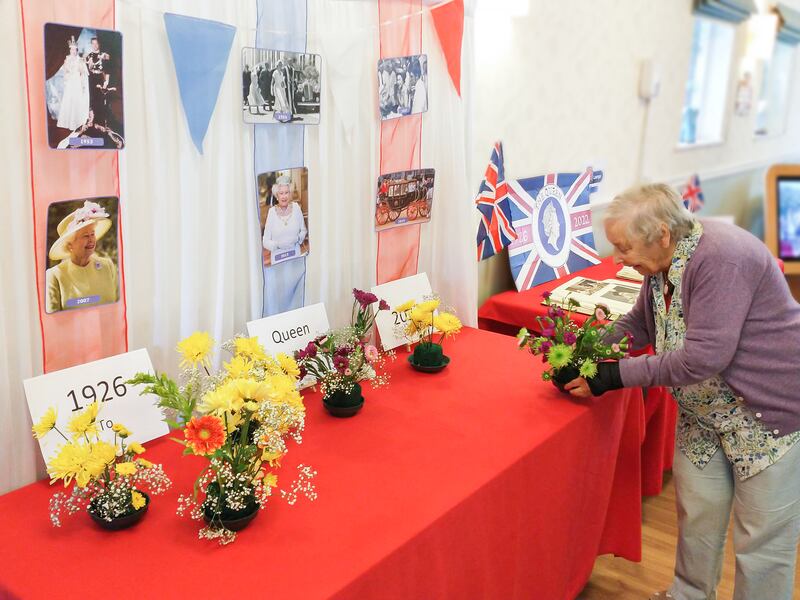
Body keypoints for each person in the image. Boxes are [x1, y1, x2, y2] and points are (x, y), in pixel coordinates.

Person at [565, 184, 800, 600]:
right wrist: (588, 351)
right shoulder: (662, 261)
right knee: (697, 519)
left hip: (766, 416)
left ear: (662, 233)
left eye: (623, 247)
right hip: (703, 414)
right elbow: (640, 322)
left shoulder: (722, 259)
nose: (617, 258)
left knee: (760, 545)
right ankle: (688, 594)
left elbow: (702, 359)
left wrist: (611, 376)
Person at [46, 200, 119, 313]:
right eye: (85, 236)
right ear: (70, 245)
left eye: (92, 234)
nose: (91, 240)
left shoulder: (107, 265)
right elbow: (52, 320)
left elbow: (118, 306)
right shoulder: (55, 275)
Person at [262, 176, 307, 263]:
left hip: (295, 255)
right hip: (278, 258)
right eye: (281, 193)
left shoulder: (296, 208)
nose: (284, 196)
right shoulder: (271, 212)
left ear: (290, 194)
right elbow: (265, 241)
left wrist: (297, 239)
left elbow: (303, 231)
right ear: (277, 196)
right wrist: (278, 245)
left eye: (286, 192)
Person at [56, 37, 90, 131]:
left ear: (77, 50)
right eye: (72, 49)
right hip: (70, 82)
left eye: (75, 49)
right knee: (69, 99)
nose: (73, 51)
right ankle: (68, 122)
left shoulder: (80, 60)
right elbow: (65, 71)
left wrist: (83, 85)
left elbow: (83, 73)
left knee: (77, 99)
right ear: (70, 50)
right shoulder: (67, 59)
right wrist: (67, 75)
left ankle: (77, 122)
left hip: (77, 82)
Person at [85, 37, 110, 125]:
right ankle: (93, 120)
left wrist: (106, 82)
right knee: (92, 99)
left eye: (96, 43)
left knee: (101, 99)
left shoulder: (104, 55)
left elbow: (108, 69)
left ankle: (100, 121)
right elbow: (88, 69)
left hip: (100, 77)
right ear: (91, 44)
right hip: (91, 78)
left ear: (99, 44)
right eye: (93, 43)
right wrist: (90, 64)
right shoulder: (89, 56)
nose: (95, 45)